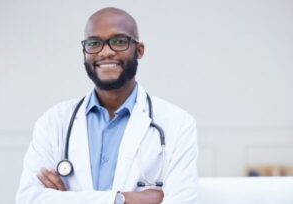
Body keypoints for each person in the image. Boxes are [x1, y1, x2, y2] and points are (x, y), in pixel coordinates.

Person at [16, 7, 198, 204]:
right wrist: (120, 199)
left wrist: (67, 199)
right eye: (94, 43)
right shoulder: (54, 121)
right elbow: (28, 198)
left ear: (139, 50)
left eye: (119, 41)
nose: (106, 52)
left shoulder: (177, 123)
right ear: (84, 52)